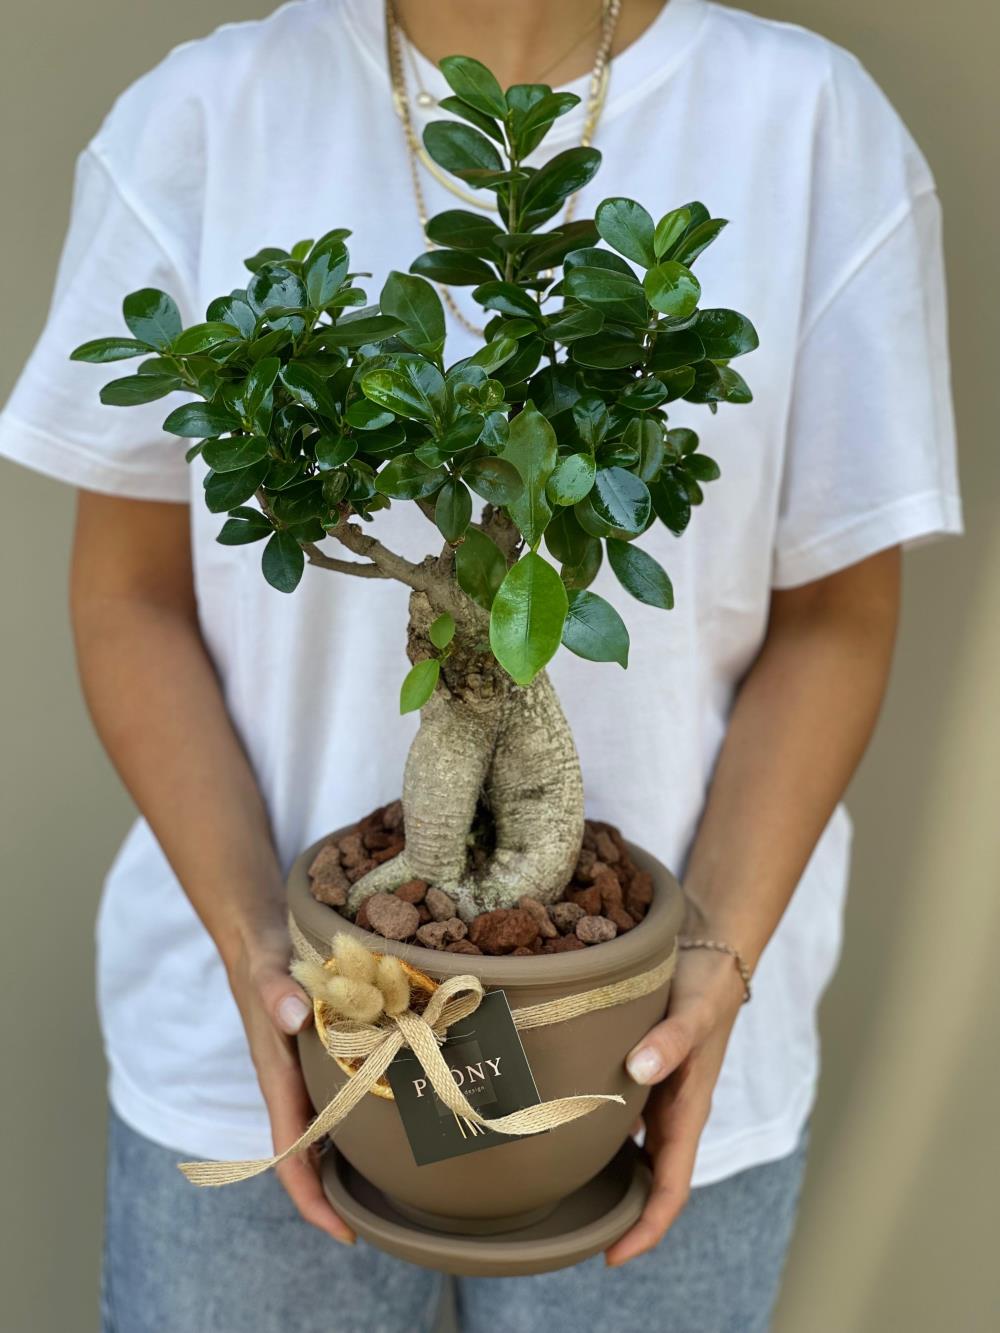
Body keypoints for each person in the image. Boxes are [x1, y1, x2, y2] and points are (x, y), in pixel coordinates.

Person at [0, 1, 962, 1329]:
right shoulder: (202, 117)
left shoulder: (812, 128)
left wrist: (716, 958)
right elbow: (127, 598)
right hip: (259, 1051)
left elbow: (837, 620)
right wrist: (258, 949)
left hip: (640, 1056)